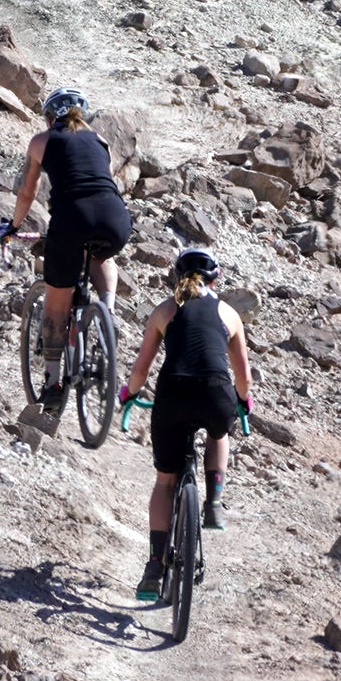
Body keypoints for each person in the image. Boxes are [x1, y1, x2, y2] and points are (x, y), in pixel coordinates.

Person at [119, 247, 251, 603]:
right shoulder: (229, 313)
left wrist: (126, 395)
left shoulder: (165, 310)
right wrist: (243, 402)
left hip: (173, 394)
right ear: (215, 278)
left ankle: (153, 566)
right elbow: (243, 376)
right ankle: (214, 503)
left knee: (165, 481)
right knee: (219, 433)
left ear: (177, 275)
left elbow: (141, 371)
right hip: (215, 393)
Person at [0, 87, 132, 408]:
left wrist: (14, 226)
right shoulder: (101, 141)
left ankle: (54, 384)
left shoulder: (41, 142)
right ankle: (108, 310)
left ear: (48, 118)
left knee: (56, 307)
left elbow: (27, 192)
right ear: (82, 115)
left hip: (72, 218)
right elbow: (101, 180)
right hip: (116, 217)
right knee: (101, 253)